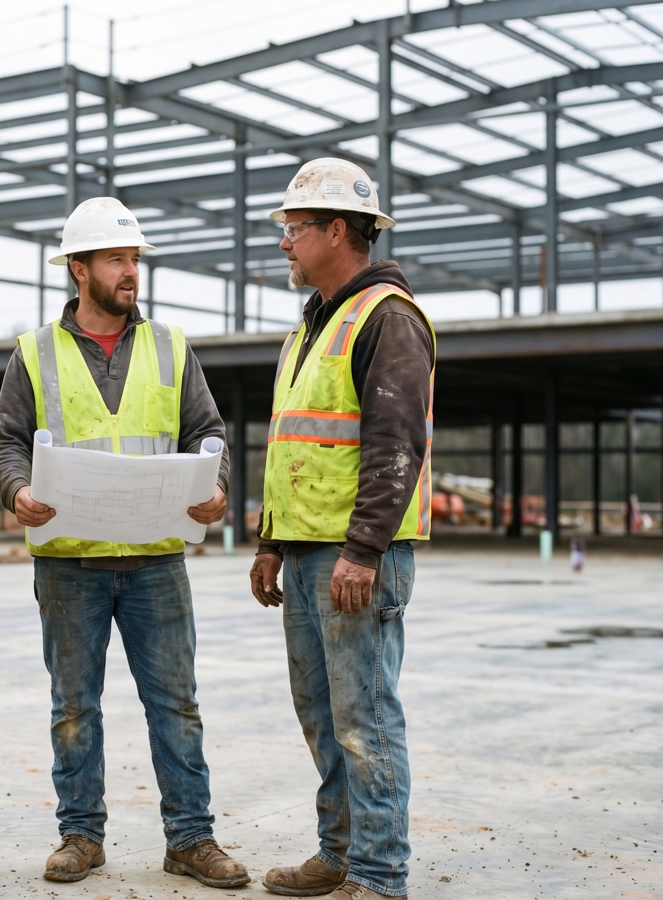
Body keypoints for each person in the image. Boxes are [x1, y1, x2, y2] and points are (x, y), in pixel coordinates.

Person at [0, 197, 249, 890]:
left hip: (157, 561)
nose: (131, 272)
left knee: (177, 704)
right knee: (74, 707)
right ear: (79, 270)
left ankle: (190, 838)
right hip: (69, 564)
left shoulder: (170, 345)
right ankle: (81, 836)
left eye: (134, 259)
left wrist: (217, 482)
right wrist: (17, 494)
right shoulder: (34, 354)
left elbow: (209, 431)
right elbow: (5, 442)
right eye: (116, 260)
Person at [249, 158, 435, 900]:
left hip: (357, 559)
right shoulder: (313, 324)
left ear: (337, 230)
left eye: (295, 230)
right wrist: (270, 540)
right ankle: (340, 851)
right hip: (307, 553)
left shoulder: (387, 317)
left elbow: (397, 445)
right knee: (324, 712)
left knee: (366, 713)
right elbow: (296, 443)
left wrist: (363, 551)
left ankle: (380, 872)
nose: (285, 244)